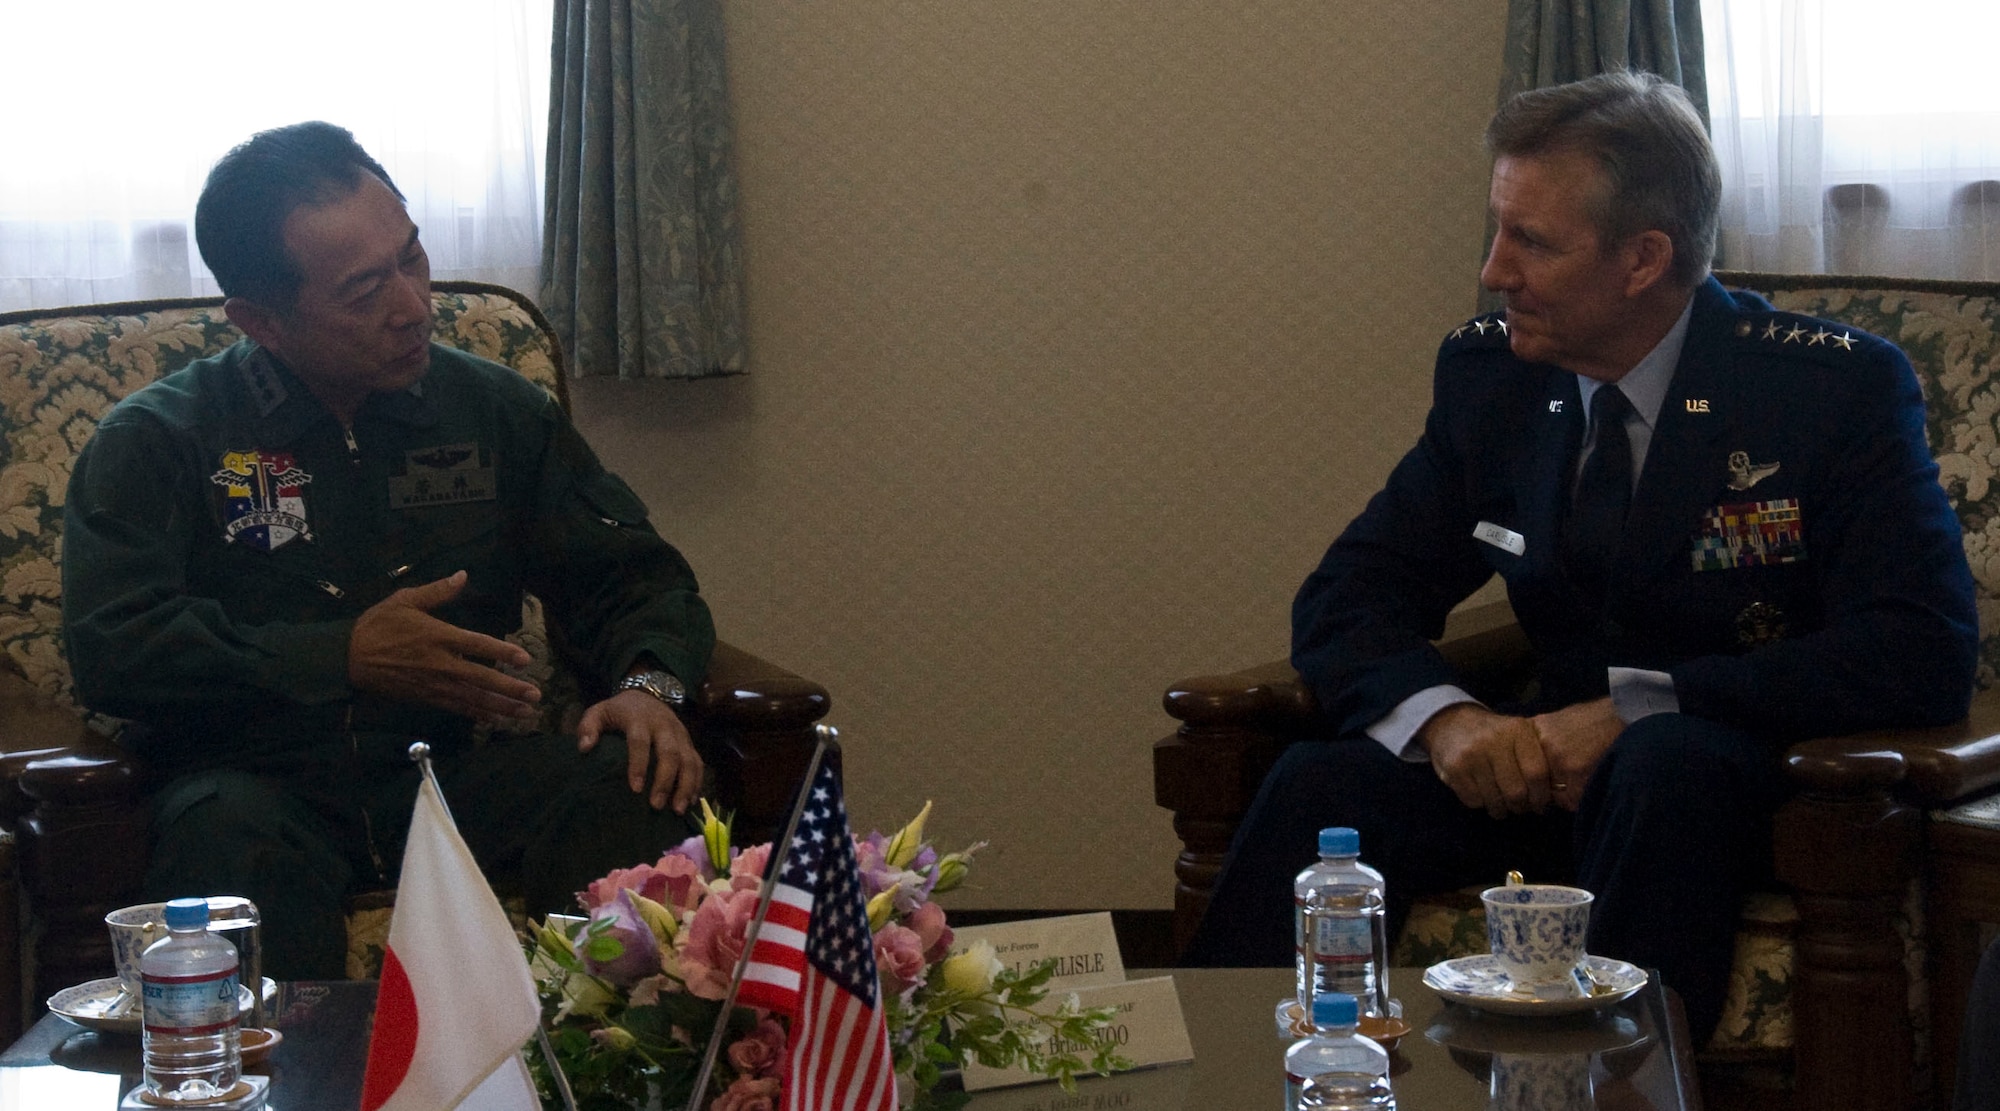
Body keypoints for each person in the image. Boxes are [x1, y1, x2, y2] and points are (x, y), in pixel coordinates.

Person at [1183, 71, 1978, 1044]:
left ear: (1642, 259)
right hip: (1535, 775)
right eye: (1497, 231)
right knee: (1320, 780)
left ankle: (1615, 1087)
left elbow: (1919, 643)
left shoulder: (1822, 390)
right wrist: (1447, 721)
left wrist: (1646, 706)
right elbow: (1351, 591)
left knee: (1660, 763)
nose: (1493, 271)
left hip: (1733, 781)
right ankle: (1226, 1069)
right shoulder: (1494, 378)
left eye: (1532, 241)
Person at [62, 122, 718, 979]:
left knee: (637, 785)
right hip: (254, 787)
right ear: (260, 319)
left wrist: (648, 684)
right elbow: (117, 647)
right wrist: (343, 654)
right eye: (365, 289)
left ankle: (606, 1048)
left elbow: (631, 576)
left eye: (411, 258)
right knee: (227, 846)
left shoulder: (492, 412)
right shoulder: (159, 440)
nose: (412, 306)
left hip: (452, 775)